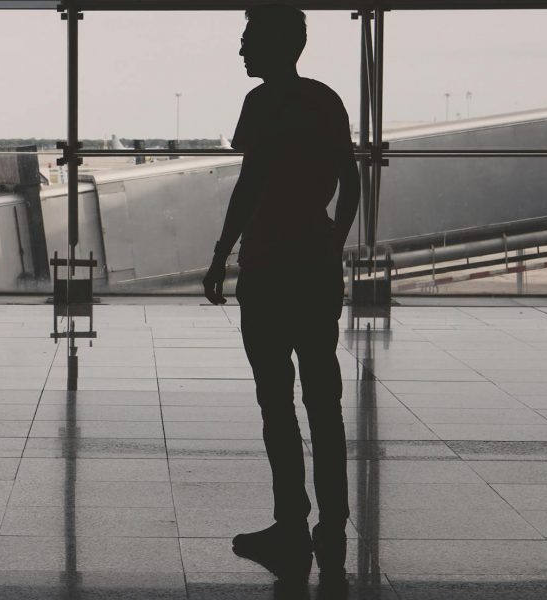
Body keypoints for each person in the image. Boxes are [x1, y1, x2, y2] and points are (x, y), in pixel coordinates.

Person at [203, 3, 360, 584]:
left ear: (273, 44)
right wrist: (332, 243)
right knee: (324, 399)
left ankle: (290, 521)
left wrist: (221, 254)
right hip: (314, 264)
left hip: (269, 266)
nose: (242, 49)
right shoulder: (325, 100)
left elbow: (250, 185)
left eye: (248, 39)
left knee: (276, 399)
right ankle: (333, 523)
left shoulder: (262, 103)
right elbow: (350, 180)